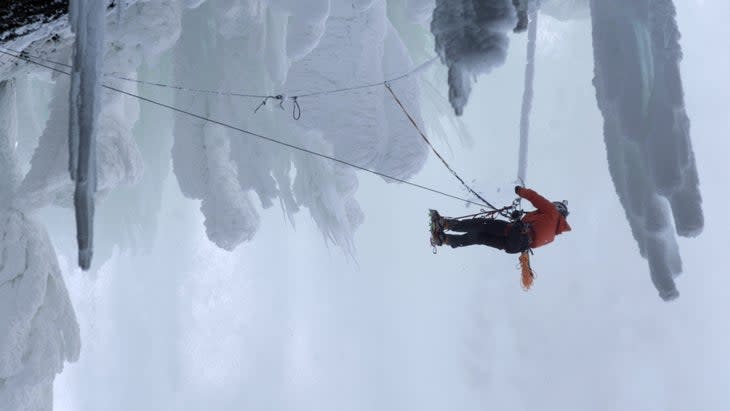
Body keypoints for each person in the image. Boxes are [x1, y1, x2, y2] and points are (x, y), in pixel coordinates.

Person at [430, 186, 571, 253]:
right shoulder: (552, 236)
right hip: (513, 247)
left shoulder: (552, 212)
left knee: (481, 224)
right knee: (480, 238)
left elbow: (535, 198)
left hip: (514, 232)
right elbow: (532, 242)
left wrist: (520, 191)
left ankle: (446, 224)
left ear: (558, 208)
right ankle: (445, 239)